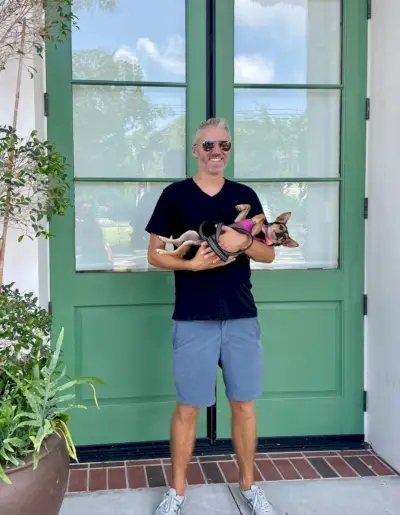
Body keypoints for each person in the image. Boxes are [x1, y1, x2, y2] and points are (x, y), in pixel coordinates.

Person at [145, 118, 277, 514]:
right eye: (208, 145)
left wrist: (246, 241)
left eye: (224, 145)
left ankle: (250, 488)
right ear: (195, 150)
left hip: (240, 314)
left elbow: (268, 253)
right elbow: (154, 254)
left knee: (243, 404)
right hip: (192, 317)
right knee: (188, 407)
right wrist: (191, 267)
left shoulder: (245, 195)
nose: (217, 151)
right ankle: (177, 493)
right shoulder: (174, 196)